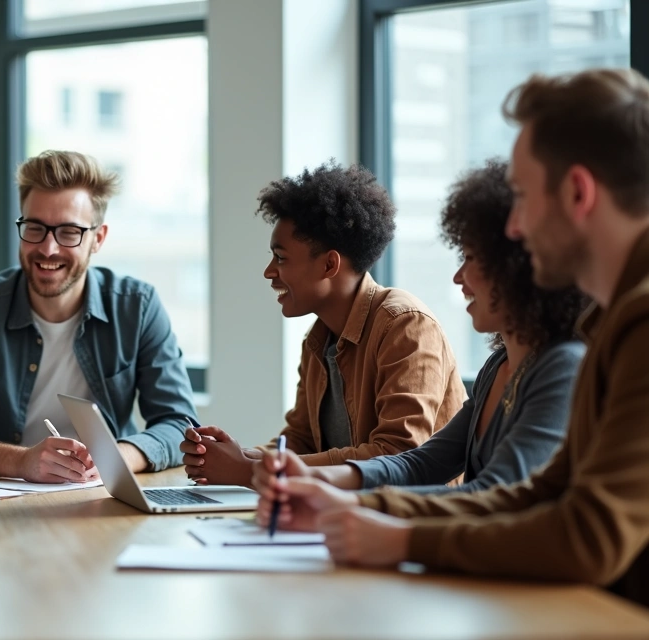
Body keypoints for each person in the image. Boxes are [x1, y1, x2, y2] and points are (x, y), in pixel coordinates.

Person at [256, 68, 649, 606]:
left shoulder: (634, 325)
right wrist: (360, 509)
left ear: (578, 192)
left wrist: (400, 538)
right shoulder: (609, 323)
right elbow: (537, 495)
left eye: (522, 196)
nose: (514, 228)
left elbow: (589, 534)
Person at [251, 159, 586, 496]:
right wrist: (308, 478)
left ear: (516, 267)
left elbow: (491, 495)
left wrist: (349, 505)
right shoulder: (496, 368)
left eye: (470, 258)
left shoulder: (562, 368)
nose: (458, 277)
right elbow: (419, 463)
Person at [0, 150, 198, 483]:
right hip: (2, 492)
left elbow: (180, 426)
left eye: (69, 232)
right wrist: (21, 462)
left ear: (97, 238)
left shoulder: (138, 307)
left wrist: (114, 458)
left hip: (102, 491)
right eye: (35, 228)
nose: (48, 249)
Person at [180, 161, 467, 487]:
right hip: (341, 511)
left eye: (281, 258)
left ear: (330, 264)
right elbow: (300, 441)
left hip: (406, 516)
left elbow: (398, 455)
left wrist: (248, 470)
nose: (269, 272)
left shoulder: (406, 326)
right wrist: (234, 456)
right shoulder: (318, 340)